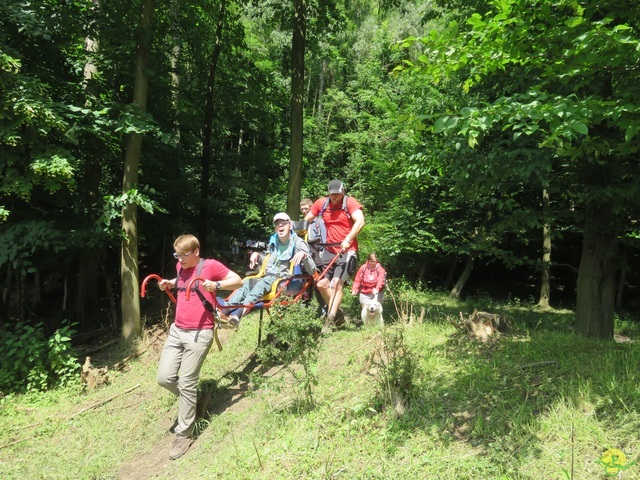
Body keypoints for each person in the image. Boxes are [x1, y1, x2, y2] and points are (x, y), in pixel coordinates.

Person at [156, 234, 243, 460]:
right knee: (164, 378)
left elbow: (238, 280)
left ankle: (184, 434)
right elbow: (181, 281)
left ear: (196, 252)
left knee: (186, 380)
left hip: (199, 332)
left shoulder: (210, 265)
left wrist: (216, 285)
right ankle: (197, 397)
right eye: (177, 255)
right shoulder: (180, 266)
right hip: (177, 330)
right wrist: (169, 283)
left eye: (183, 255)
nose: (179, 259)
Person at [223, 212, 316, 327]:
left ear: (290, 225)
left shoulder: (298, 243)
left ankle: (239, 314)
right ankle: (225, 309)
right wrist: (257, 255)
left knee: (261, 284)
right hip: (270, 277)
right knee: (246, 282)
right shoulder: (274, 242)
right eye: (277, 224)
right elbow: (270, 261)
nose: (280, 226)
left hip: (286, 281)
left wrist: (304, 256)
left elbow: (312, 270)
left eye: (284, 223)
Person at [304, 179, 365, 329]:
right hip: (329, 250)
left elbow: (360, 221)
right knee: (321, 283)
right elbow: (306, 220)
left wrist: (348, 239)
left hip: (347, 250)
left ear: (343, 192)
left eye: (338, 194)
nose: (335, 197)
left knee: (337, 284)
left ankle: (329, 320)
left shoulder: (349, 202)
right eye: (332, 195)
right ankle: (338, 315)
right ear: (328, 194)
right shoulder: (321, 204)